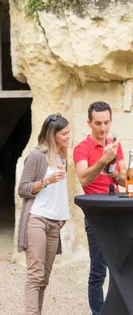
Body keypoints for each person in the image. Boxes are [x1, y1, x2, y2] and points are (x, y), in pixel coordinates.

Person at [73, 101, 126, 315]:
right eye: (97, 123)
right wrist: (103, 160)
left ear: (111, 121)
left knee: (119, 267)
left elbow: (126, 182)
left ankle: (116, 309)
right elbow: (84, 178)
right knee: (98, 271)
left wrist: (113, 173)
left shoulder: (116, 146)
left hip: (117, 210)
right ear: (89, 123)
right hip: (95, 214)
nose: (102, 128)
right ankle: (98, 312)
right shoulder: (81, 148)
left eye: (106, 123)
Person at [18, 113, 70, 315]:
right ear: (53, 134)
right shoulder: (36, 157)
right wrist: (46, 182)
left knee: (44, 278)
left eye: (68, 133)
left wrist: (62, 216)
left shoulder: (61, 157)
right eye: (64, 133)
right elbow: (23, 188)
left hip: (53, 224)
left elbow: (60, 193)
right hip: (36, 219)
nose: (67, 137)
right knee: (35, 276)